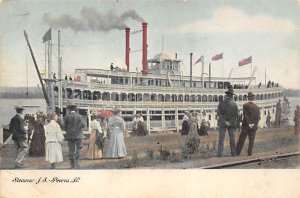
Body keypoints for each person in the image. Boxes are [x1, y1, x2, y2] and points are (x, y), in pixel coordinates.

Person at [236, 92, 261, 156]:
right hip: (253, 127)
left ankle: (237, 153)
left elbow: (246, 115)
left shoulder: (245, 105)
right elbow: (258, 117)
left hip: (246, 126)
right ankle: (250, 153)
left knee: (242, 139)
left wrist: (249, 123)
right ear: (253, 98)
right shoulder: (257, 107)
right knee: (251, 140)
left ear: (248, 98)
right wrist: (254, 124)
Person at [217, 85, 239, 157]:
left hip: (222, 123)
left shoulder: (221, 103)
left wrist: (224, 121)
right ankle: (233, 153)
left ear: (226, 95)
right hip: (231, 124)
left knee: (221, 138)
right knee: (232, 138)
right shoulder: (234, 104)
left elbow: (219, 114)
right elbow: (236, 115)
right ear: (232, 96)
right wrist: (230, 122)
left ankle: (220, 153)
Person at [64, 102, 85, 169]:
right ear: (75, 109)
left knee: (71, 150)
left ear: (69, 109)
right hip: (78, 135)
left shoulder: (66, 116)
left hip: (70, 136)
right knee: (78, 149)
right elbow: (83, 125)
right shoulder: (79, 116)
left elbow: (64, 127)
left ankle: (72, 165)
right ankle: (77, 163)